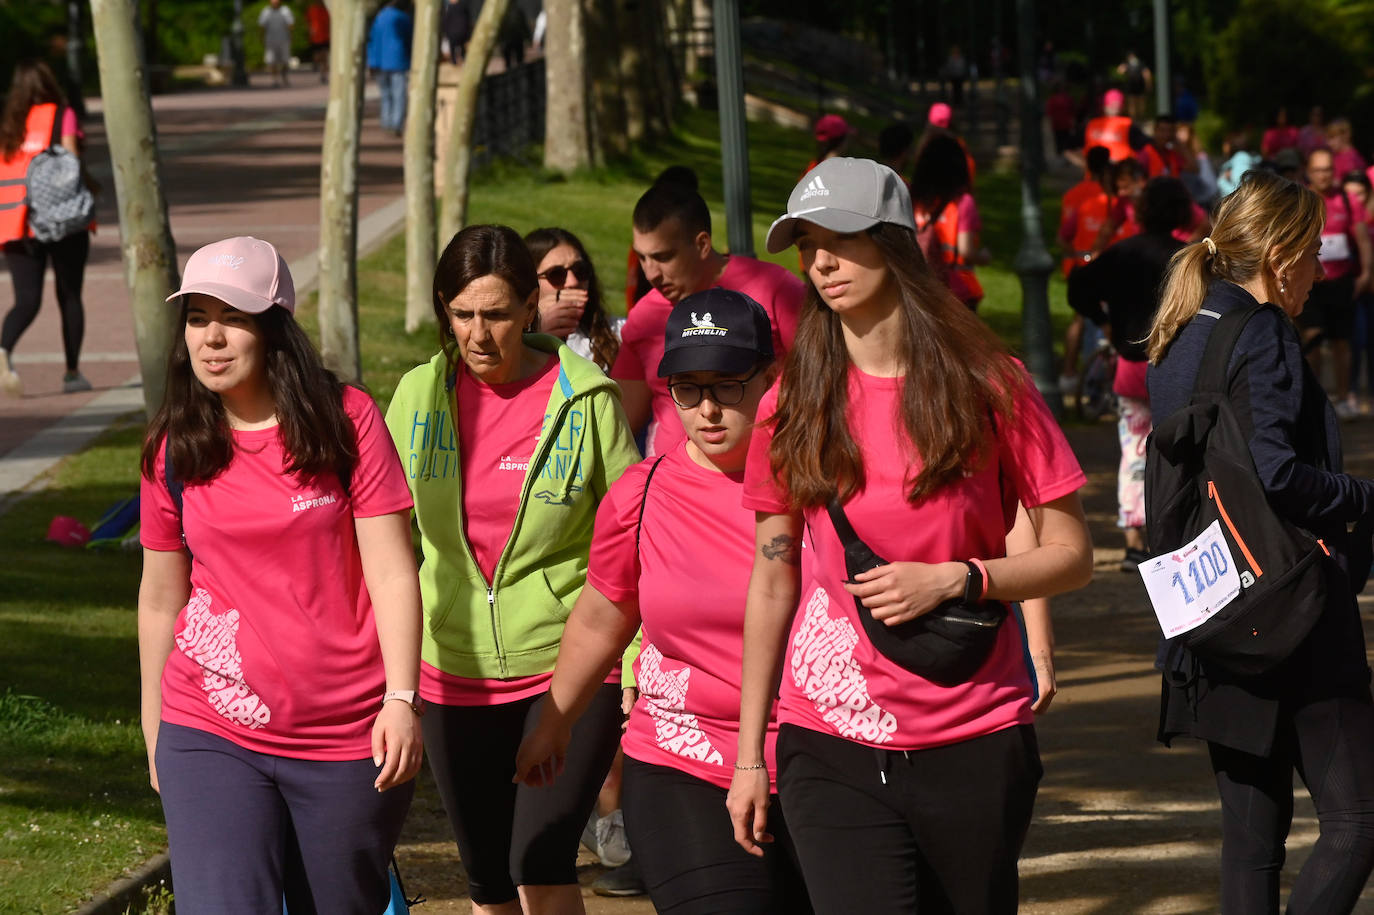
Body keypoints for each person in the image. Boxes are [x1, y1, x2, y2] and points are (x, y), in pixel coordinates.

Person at [729, 157, 1093, 914]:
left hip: (973, 728)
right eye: (806, 244)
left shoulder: (991, 384)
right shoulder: (790, 403)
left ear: (895, 243)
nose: (820, 261)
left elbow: (1072, 556)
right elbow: (772, 577)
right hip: (825, 736)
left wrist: (963, 576)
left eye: (841, 238)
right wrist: (748, 754)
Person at [137, 236, 422, 912]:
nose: (211, 337)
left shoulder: (345, 421)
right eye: (198, 316)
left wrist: (402, 698)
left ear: (273, 327)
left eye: (232, 317)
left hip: (346, 734)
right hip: (209, 728)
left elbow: (391, 569)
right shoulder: (174, 442)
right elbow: (158, 598)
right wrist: (156, 726)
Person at [513, 288, 813, 915]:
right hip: (686, 759)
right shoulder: (641, 493)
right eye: (687, 387)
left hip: (824, 760)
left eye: (728, 385)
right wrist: (553, 721)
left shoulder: (821, 481)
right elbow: (603, 614)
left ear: (771, 376)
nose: (707, 409)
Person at [385, 224, 640, 915]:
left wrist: (638, 664)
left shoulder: (588, 401)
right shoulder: (416, 397)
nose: (478, 334)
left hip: (568, 668)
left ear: (531, 306)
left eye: (496, 313)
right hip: (451, 673)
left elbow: (632, 543)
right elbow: (382, 543)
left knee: (539, 860)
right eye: (462, 314)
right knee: (489, 881)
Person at [1146, 168, 1374, 915]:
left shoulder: (1185, 327)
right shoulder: (1265, 329)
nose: (1320, 271)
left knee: (1251, 841)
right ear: (1280, 254)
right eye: (1312, 255)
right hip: (1289, 603)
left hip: (1210, 605)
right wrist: (1362, 499)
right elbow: (1277, 472)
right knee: (1356, 818)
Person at [613, 181, 804, 458]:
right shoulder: (644, 316)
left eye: (663, 257)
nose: (650, 273)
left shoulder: (773, 288)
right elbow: (619, 426)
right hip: (672, 488)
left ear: (702, 244)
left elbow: (822, 376)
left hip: (770, 476)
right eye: (642, 258)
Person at [1068, 177, 1192, 571]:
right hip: (1178, 370)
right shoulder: (1186, 258)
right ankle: (1177, 533)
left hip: (1131, 367)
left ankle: (1135, 541)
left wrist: (1103, 320)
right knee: (1184, 453)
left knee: (1134, 454)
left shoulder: (1121, 254)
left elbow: (1078, 287)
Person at [0, 59, 93, 397]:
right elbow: (71, 163)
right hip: (61, 217)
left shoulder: (9, 123)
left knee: (26, 299)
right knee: (69, 294)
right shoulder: (61, 114)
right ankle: (72, 374)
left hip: (15, 221)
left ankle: (3, 350)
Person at [1300, 147, 1371, 420]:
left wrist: (1365, 272)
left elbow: (1362, 238)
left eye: (1328, 169)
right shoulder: (1301, 199)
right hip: (1309, 285)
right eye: (1318, 170)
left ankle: (1344, 398)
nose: (1323, 175)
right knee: (1312, 341)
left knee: (1343, 343)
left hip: (1341, 282)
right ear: (1309, 171)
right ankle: (1313, 400)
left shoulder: (1348, 199)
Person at [525, 227, 623, 373]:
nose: (573, 281)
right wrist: (538, 335)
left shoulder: (618, 331)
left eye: (580, 270)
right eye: (556, 274)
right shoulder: (514, 338)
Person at [1057, 145, 1114, 394]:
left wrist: (1076, 254)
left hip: (1078, 265)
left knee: (1079, 318)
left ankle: (1069, 372)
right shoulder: (1108, 198)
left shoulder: (1073, 195)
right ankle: (1098, 380)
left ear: (1086, 165)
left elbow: (1063, 236)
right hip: (1104, 268)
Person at [911, 131, 989, 309]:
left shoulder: (916, 200)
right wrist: (983, 257)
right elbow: (966, 250)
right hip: (956, 289)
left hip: (921, 286)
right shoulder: (963, 203)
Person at [367, 0, 413, 136]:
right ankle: (396, 124)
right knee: (398, 95)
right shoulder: (402, 17)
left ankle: (387, 121)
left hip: (381, 62)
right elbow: (410, 38)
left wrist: (372, 62)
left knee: (386, 94)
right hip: (398, 61)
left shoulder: (378, 18)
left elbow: (372, 41)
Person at [1084, 88, 1135, 164]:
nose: (1114, 107)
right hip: (1096, 173)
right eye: (1111, 104)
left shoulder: (1127, 124)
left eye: (1116, 105)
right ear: (1104, 106)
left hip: (1119, 172)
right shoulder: (1092, 124)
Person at [258, 0, 295, 88]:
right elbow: (262, 26)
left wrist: (291, 36)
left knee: (285, 60)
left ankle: (284, 76)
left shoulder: (285, 11)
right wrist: (261, 37)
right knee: (271, 61)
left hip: (284, 40)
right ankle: (274, 79)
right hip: (271, 40)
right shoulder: (266, 11)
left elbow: (290, 24)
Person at [1116, 50, 1151, 121]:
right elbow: (1147, 74)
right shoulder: (1141, 63)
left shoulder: (1127, 63)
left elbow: (1119, 71)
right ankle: (1140, 118)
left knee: (1132, 104)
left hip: (1130, 86)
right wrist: (1148, 85)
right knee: (1141, 103)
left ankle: (1133, 119)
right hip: (1140, 86)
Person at [305, 0, 330, 81]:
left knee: (325, 56)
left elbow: (329, 22)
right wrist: (310, 30)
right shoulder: (312, 9)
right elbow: (308, 21)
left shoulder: (326, 10)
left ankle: (324, 75)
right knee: (317, 56)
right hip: (315, 37)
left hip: (325, 36)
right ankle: (317, 66)